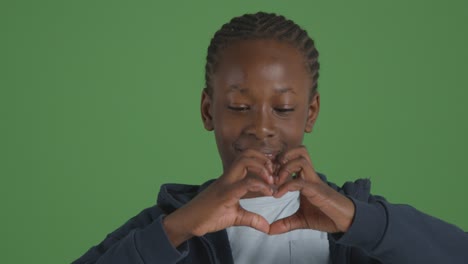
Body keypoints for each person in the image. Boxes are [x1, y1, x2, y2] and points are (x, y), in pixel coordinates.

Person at [73, 12, 468, 264]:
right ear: (208, 111)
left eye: (282, 109)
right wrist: (178, 229)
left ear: (310, 113)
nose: (261, 128)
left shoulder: (356, 222)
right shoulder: (169, 225)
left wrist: (355, 219)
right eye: (240, 107)